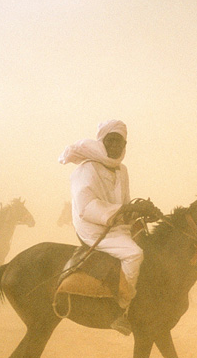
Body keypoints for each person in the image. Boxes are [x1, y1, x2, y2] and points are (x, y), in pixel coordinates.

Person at [60, 119, 154, 334]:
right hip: (92, 225)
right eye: (110, 141)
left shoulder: (122, 170)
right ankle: (122, 308)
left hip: (116, 223)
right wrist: (121, 212)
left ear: (125, 145)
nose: (115, 146)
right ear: (101, 142)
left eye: (120, 142)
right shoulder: (87, 168)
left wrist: (138, 212)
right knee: (134, 254)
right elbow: (85, 206)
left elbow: (125, 201)